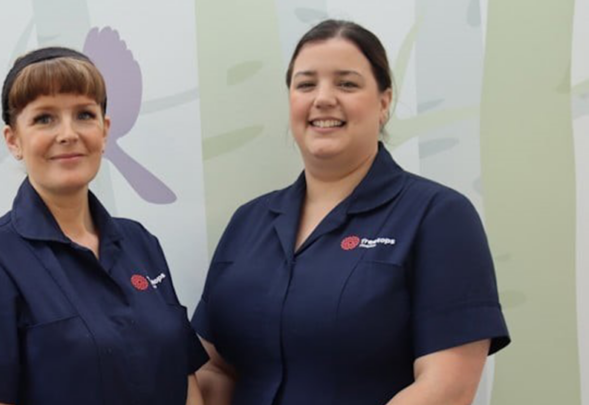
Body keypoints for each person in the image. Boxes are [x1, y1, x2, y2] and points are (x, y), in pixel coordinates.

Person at [191, 20, 510, 405]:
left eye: (347, 83)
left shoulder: (438, 216)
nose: (323, 98)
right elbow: (216, 368)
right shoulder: (248, 222)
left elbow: (446, 387)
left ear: (384, 102)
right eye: (306, 84)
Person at [0, 47, 207, 405]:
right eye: (44, 118)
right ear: (13, 140)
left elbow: (187, 384)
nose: (68, 133)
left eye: (84, 115)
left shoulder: (140, 242)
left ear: (104, 132)